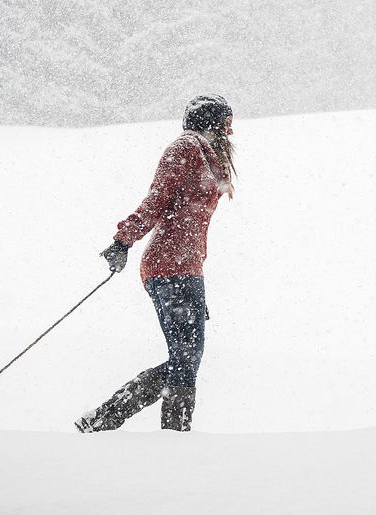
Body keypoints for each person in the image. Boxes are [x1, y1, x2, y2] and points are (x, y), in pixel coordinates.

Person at [75, 94, 236, 433]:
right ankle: (130, 425)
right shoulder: (184, 149)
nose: (230, 131)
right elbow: (157, 199)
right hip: (169, 267)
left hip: (186, 268)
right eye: (226, 123)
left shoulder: (204, 155)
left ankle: (128, 425)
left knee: (187, 359)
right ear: (211, 123)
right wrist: (123, 240)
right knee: (185, 359)